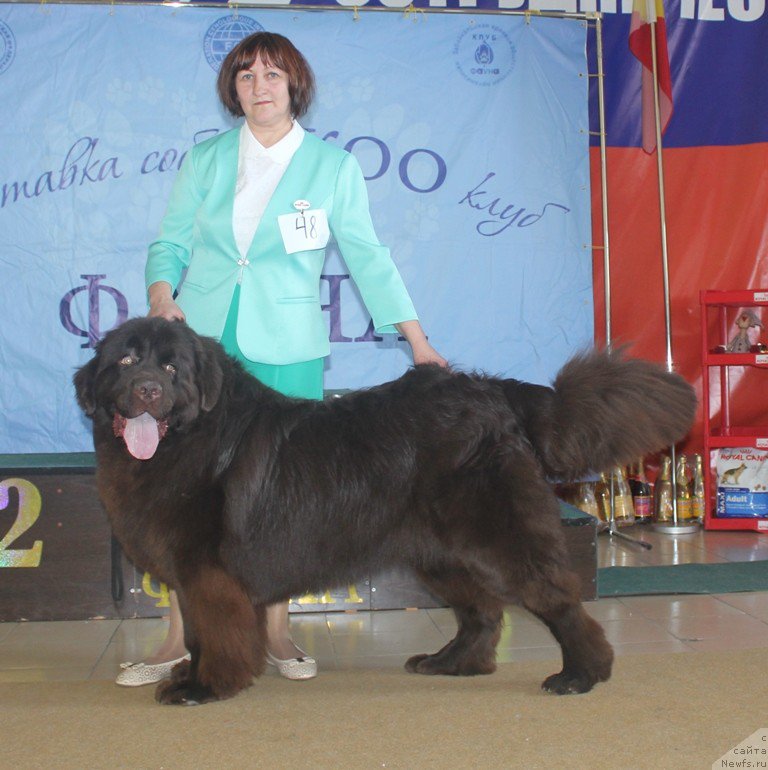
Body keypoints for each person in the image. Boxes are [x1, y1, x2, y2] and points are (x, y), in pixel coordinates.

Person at [116, 31, 446, 687]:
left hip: (287, 345)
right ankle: (180, 637)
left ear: (295, 84)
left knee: (281, 491)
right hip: (201, 343)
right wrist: (161, 294)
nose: (258, 86)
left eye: (272, 74)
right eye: (245, 76)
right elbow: (170, 242)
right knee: (186, 496)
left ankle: (275, 630)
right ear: (231, 90)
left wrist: (416, 339)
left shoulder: (332, 168)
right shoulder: (206, 159)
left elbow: (368, 258)